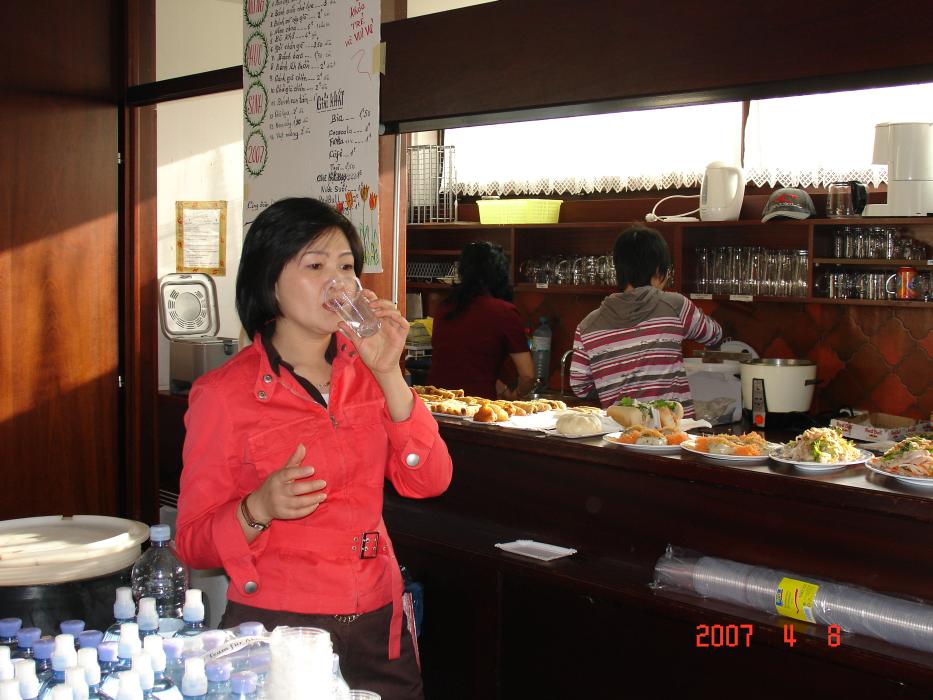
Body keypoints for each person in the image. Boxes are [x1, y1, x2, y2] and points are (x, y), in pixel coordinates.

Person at [175, 197, 452, 700]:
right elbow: (192, 543)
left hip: (378, 621)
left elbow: (429, 480)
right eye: (316, 265)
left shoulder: (370, 372)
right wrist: (258, 508)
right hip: (278, 632)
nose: (337, 282)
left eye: (346, 267)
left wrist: (388, 372)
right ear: (270, 281)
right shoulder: (223, 394)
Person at [569, 225, 722, 416]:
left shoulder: (587, 326)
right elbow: (714, 334)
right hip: (675, 428)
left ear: (618, 269)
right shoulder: (675, 306)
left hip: (621, 430)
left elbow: (580, 386)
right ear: (659, 270)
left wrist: (610, 385)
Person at [426, 241, 535, 399]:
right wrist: (516, 395)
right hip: (477, 405)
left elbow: (463, 364)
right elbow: (528, 375)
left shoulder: (445, 307)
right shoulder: (504, 312)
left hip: (436, 400)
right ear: (500, 274)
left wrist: (500, 386)